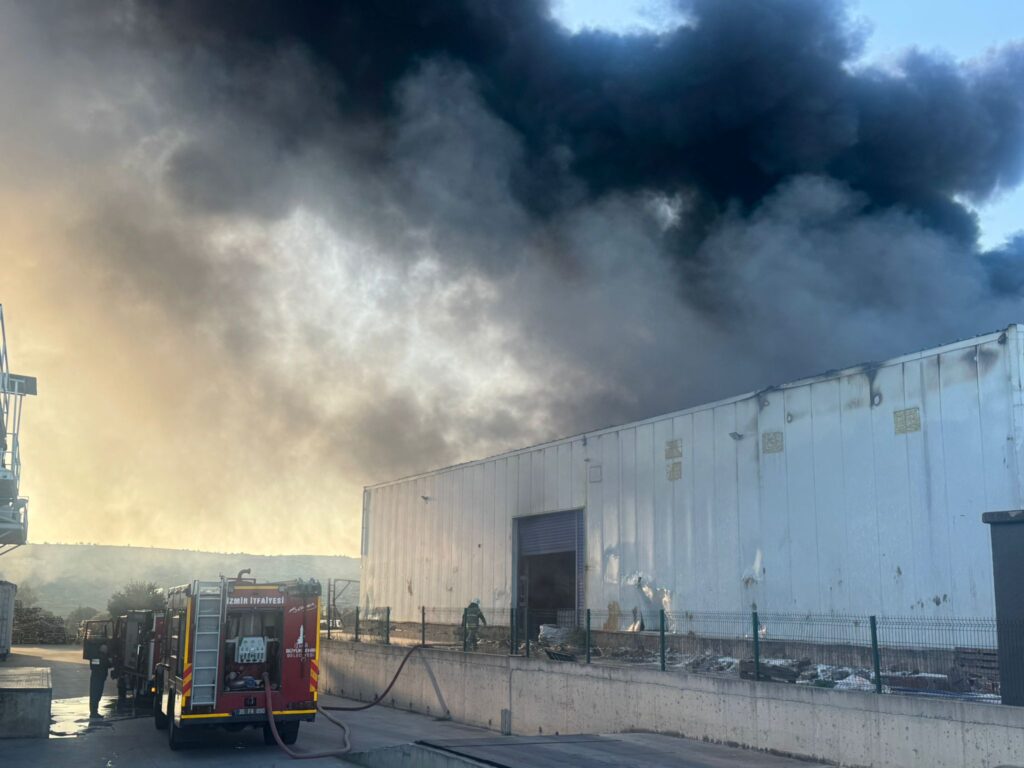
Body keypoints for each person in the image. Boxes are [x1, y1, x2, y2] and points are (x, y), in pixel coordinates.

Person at [89, 642, 110, 719]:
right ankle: (93, 713)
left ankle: (94, 712)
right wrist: (106, 662)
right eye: (105, 649)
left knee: (97, 695)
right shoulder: (95, 657)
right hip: (96, 679)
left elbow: (106, 664)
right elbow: (95, 666)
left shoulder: (102, 657)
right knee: (95, 695)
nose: (106, 651)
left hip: (100, 678)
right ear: (102, 649)